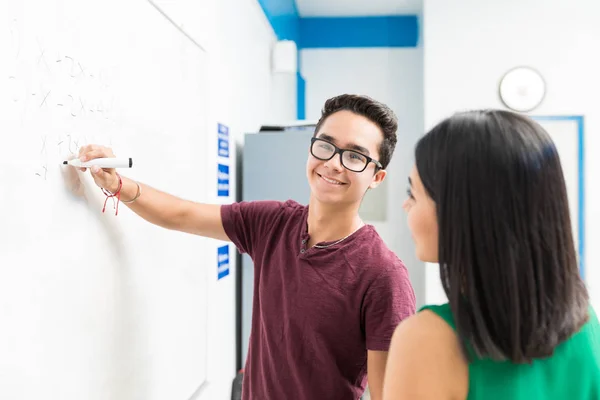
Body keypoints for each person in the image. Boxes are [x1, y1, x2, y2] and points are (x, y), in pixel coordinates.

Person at [77, 94, 416, 400]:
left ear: (376, 177)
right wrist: (117, 183)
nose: (333, 163)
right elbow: (181, 214)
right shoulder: (272, 223)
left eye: (355, 156)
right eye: (325, 145)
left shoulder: (384, 275)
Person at [383, 109, 600, 400]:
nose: (405, 207)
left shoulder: (427, 339)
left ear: (461, 213)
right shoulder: (585, 321)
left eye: (414, 194)